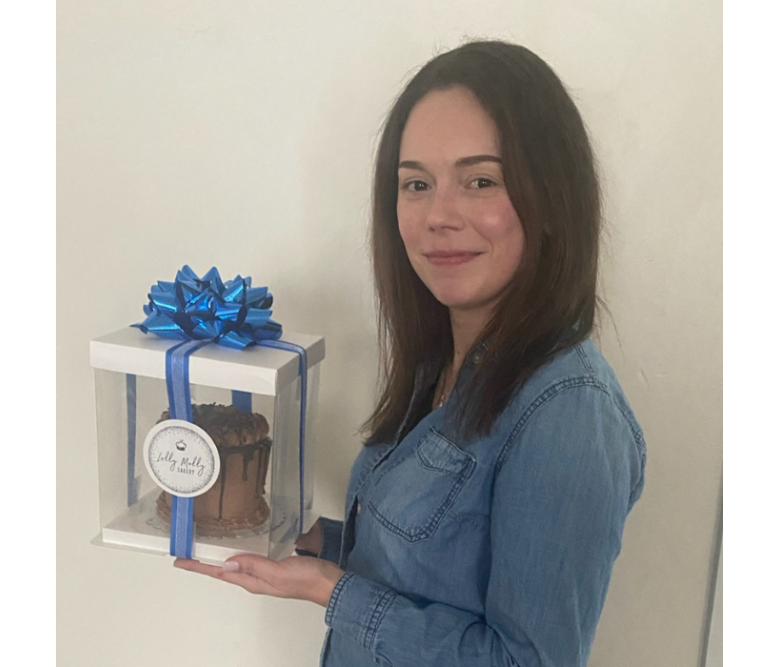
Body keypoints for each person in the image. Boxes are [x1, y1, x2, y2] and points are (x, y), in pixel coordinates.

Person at [174, 39, 646, 667]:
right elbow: (432, 567)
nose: (439, 215)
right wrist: (311, 545)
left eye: (481, 181)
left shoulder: (567, 412)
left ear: (552, 201)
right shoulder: (441, 365)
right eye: (416, 184)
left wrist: (330, 591)